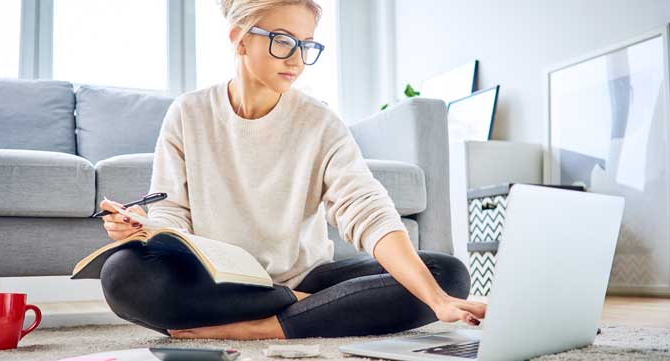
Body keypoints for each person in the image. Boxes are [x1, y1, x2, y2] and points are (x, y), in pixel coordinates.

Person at [97, 0, 486, 340]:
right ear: (240, 38)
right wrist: (146, 229)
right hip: (218, 280)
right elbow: (171, 213)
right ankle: (316, 309)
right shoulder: (188, 112)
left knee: (446, 275)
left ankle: (262, 325)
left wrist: (437, 300)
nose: (297, 59)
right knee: (121, 274)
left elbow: (366, 208)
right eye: (283, 41)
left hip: (304, 277)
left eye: (307, 45)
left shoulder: (320, 121)